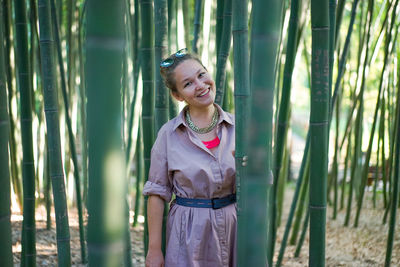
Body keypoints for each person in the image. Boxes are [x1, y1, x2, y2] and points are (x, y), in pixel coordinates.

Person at [143, 48, 236, 267]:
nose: (201, 85)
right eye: (188, 84)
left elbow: (261, 182)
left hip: (236, 227)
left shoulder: (239, 127)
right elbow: (156, 193)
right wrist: (154, 250)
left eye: (201, 75)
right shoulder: (169, 135)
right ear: (178, 96)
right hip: (188, 232)